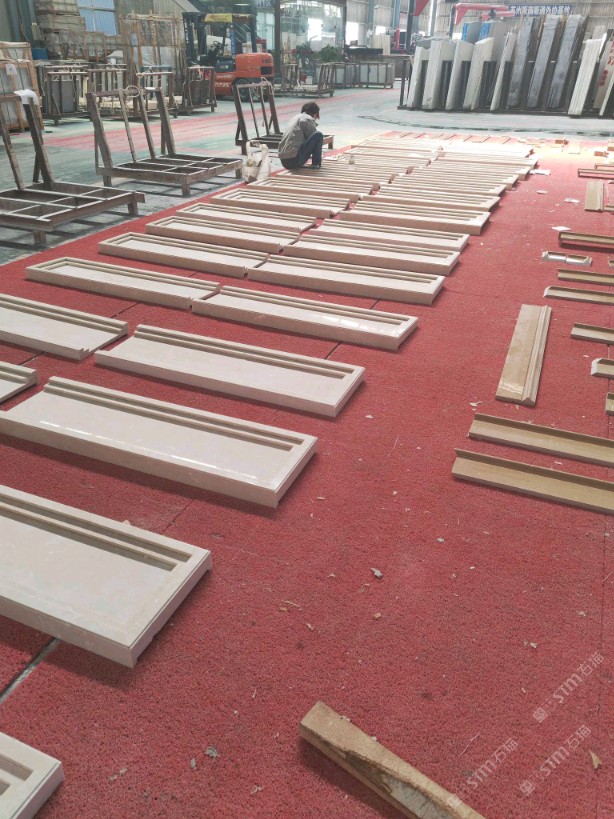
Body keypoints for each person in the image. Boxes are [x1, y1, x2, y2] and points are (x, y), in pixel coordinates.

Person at [278, 102, 323, 170]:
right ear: (315, 114)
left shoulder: (294, 118)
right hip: (294, 160)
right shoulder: (308, 119)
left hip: (284, 162)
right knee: (318, 135)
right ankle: (316, 164)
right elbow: (314, 140)